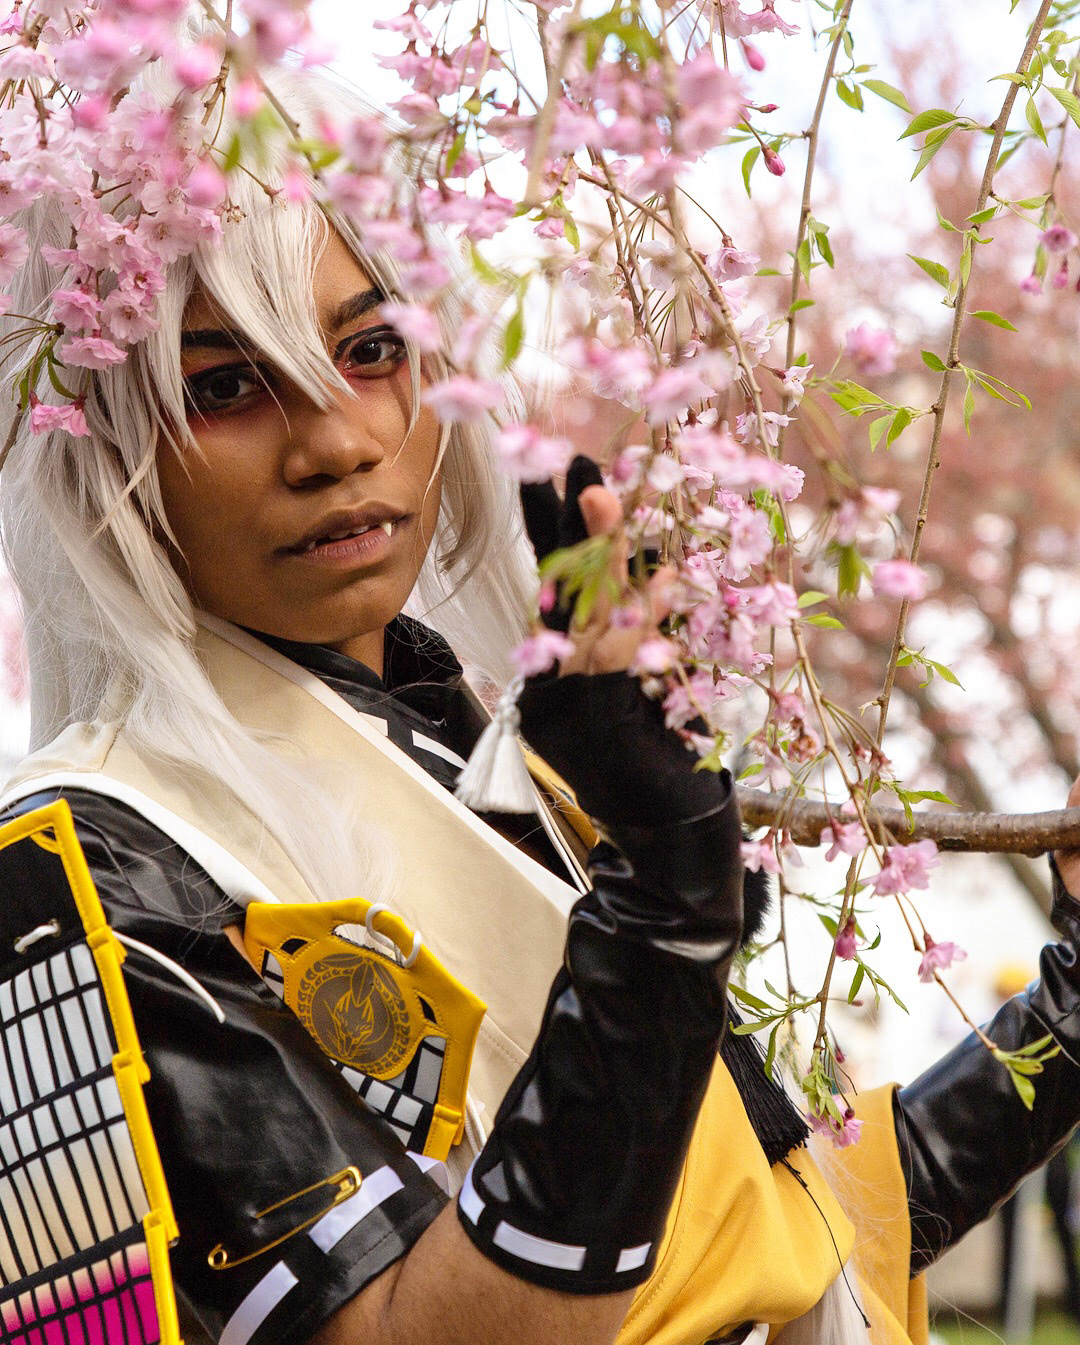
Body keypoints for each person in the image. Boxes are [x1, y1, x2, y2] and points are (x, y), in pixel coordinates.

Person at [1, 59, 1080, 1345]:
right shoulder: (82, 864)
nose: (337, 440)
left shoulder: (524, 760)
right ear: (102, 439)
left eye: (373, 350)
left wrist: (1072, 999)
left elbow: (781, 1234)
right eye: (225, 384)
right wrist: (664, 917)